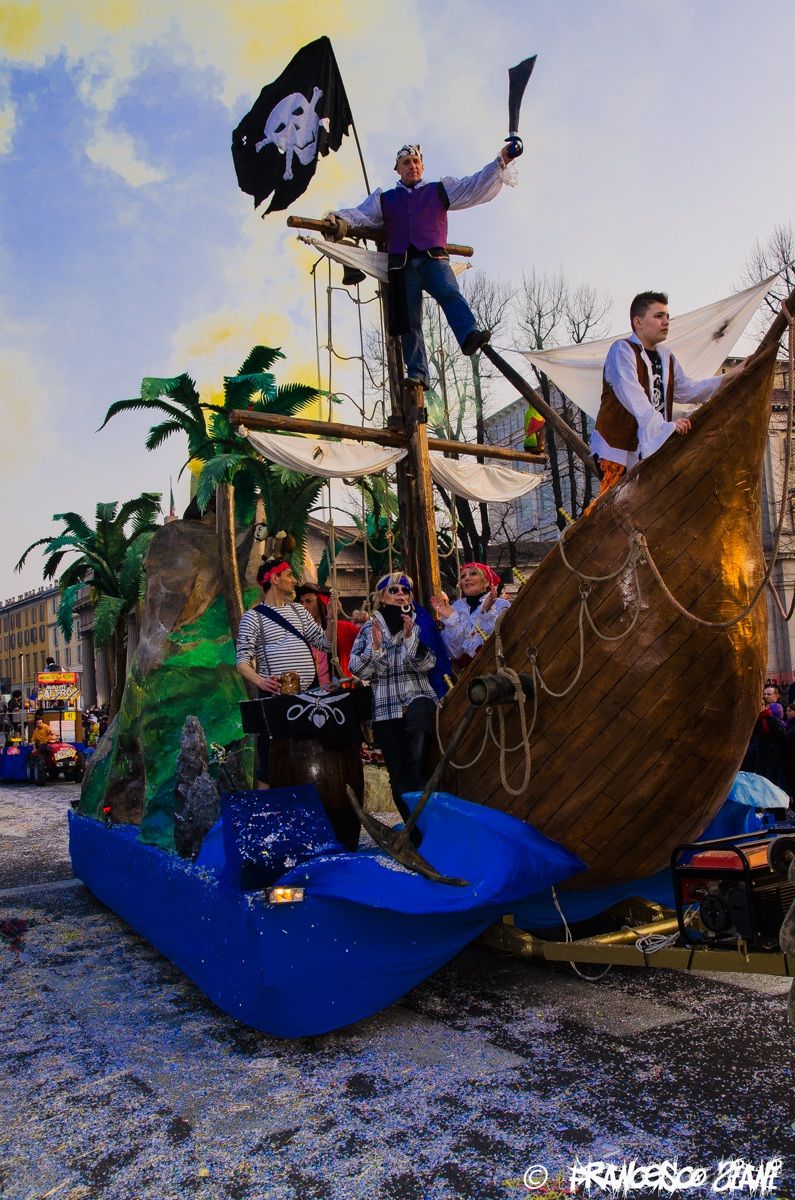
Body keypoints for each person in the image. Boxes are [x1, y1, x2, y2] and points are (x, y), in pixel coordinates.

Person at [326, 142, 517, 390]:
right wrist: (336, 217)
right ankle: (418, 373)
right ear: (398, 169)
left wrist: (501, 161)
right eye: (406, 163)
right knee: (409, 321)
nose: (412, 166)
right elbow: (360, 214)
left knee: (449, 293)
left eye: (416, 162)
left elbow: (473, 186)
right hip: (402, 265)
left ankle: (468, 334)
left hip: (433, 259)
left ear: (422, 166)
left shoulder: (439, 190)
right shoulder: (385, 199)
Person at [589, 291, 747, 506]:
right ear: (638, 322)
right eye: (658, 316)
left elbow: (689, 390)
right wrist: (666, 428)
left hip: (651, 448)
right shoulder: (622, 351)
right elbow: (634, 397)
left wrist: (730, 378)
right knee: (619, 505)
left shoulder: (666, 357)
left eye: (667, 317)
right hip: (618, 450)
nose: (666, 322)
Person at [349, 572, 440, 824]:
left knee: (419, 767)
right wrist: (376, 648)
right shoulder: (369, 628)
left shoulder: (420, 623)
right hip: (386, 708)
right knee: (398, 777)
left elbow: (429, 663)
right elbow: (358, 669)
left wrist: (411, 638)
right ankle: (414, 832)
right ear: (381, 597)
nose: (400, 594)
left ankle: (431, 823)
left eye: (404, 590)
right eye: (393, 590)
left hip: (417, 696)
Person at [236, 559, 333, 788]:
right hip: (276, 697)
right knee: (270, 757)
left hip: (308, 694)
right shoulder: (253, 617)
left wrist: (331, 619)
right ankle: (267, 811)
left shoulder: (299, 611)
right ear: (274, 578)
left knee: (307, 751)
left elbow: (325, 644)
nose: (294, 580)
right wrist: (261, 681)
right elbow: (242, 661)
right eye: (288, 575)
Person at [431, 562, 511, 670]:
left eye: (473, 574)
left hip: (494, 668)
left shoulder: (501, 604)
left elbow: (494, 642)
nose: (467, 578)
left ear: (486, 582)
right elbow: (455, 652)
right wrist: (452, 618)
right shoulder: (456, 607)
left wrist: (486, 612)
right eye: (463, 576)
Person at [295, 582, 360, 683]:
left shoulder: (343, 627)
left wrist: (366, 619)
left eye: (308, 601)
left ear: (321, 603)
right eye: (302, 602)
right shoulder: (299, 632)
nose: (304, 606)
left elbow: (368, 639)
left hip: (338, 691)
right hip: (310, 693)